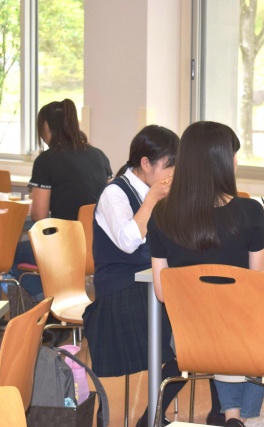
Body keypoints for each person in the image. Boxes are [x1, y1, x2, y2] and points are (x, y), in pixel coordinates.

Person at [148, 121, 264, 427]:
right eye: (234, 154)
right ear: (222, 161)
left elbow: (162, 292)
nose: (237, 161)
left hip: (187, 341)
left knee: (226, 343)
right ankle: (241, 419)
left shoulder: (161, 213)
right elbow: (260, 284)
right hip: (241, 338)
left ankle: (232, 417)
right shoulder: (249, 211)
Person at [82, 125, 210, 427]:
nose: (174, 173)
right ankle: (151, 415)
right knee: (181, 344)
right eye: (169, 165)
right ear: (145, 163)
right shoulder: (115, 193)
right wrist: (152, 199)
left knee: (202, 334)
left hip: (153, 286)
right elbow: (128, 242)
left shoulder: (162, 194)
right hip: (121, 291)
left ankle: (155, 414)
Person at [11, 99, 112, 301]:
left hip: (64, 247)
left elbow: (40, 215)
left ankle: (52, 304)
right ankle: (64, 299)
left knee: (11, 254)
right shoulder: (99, 156)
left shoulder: (46, 160)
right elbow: (112, 202)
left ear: (46, 127)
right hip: (101, 248)